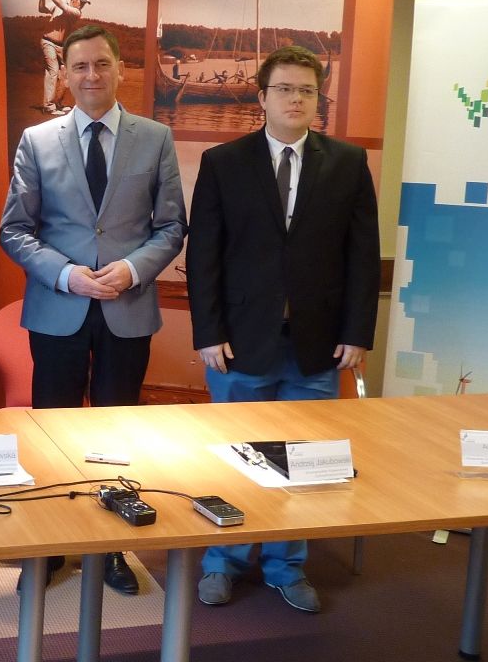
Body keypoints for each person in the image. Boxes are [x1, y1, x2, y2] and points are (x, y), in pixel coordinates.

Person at [186, 45, 380, 613]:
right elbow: (205, 255)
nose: (296, 99)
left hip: (318, 345)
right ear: (263, 97)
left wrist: (358, 332)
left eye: (307, 91)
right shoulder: (224, 162)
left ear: (319, 100)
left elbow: (363, 256)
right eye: (285, 89)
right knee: (234, 457)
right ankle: (222, 560)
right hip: (239, 341)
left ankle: (285, 565)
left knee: (301, 461)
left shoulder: (348, 163)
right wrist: (207, 332)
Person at [1, 25, 187, 594]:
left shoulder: (155, 138)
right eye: (79, 66)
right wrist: (66, 273)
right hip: (58, 307)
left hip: (126, 306)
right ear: (65, 73)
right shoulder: (37, 140)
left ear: (121, 69)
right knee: (52, 432)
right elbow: (14, 229)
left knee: (116, 432)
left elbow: (171, 226)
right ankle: (51, 545)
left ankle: (110, 549)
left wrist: (131, 269)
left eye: (101, 64)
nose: (91, 75)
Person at [38, 0, 89, 115]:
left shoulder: (76, 12)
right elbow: (42, 8)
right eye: (82, 2)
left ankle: (57, 103)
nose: (82, 6)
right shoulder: (61, 2)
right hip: (47, 42)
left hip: (61, 46)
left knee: (67, 72)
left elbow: (60, 4)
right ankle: (49, 106)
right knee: (53, 70)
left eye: (84, 4)